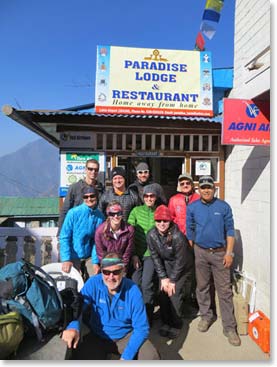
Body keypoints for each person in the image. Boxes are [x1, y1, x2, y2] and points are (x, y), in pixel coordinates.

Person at [61, 252, 160, 360]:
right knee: (75, 355)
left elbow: (141, 328)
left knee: (152, 357)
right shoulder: (93, 283)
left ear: (123, 271)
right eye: (106, 272)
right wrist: (73, 326)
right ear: (101, 271)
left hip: (125, 336)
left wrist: (126, 357)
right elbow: (78, 307)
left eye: (116, 272)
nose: (111, 277)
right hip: (98, 335)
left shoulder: (133, 290)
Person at [186, 175, 241, 347]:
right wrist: (195, 249)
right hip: (201, 252)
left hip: (220, 253)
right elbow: (190, 230)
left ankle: (229, 327)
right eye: (203, 187)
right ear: (199, 190)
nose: (206, 190)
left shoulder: (223, 207)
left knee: (224, 290)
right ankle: (206, 316)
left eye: (209, 187)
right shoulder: (193, 207)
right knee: (202, 287)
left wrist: (229, 253)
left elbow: (230, 231)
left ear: (214, 188)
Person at [147, 205, 194, 339]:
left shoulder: (177, 236)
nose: (162, 224)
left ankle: (176, 323)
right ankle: (166, 321)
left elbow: (181, 260)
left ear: (170, 221)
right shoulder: (151, 234)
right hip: (167, 264)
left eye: (165, 221)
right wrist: (163, 277)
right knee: (162, 292)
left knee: (174, 294)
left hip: (182, 266)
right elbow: (155, 256)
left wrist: (172, 280)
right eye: (159, 221)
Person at [127, 184, 158, 325]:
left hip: (151, 254)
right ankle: (135, 315)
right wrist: (133, 254)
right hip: (137, 253)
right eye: (146, 196)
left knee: (147, 285)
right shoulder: (136, 211)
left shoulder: (159, 211)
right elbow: (129, 231)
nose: (149, 198)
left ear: (156, 197)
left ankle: (148, 317)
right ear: (143, 197)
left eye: (152, 196)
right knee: (135, 284)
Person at [168, 172, 200, 309]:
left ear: (192, 185)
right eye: (182, 183)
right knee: (180, 270)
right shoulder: (174, 200)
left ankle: (192, 298)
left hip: (197, 240)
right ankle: (179, 300)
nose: (185, 185)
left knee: (195, 271)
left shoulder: (198, 198)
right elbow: (170, 219)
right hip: (180, 241)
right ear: (179, 186)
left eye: (188, 183)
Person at [59, 186, 105, 280]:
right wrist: (66, 259)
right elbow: (64, 237)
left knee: (95, 279)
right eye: (86, 197)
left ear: (96, 197)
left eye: (92, 196)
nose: (89, 199)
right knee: (73, 284)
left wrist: (95, 262)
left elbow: (97, 241)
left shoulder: (100, 216)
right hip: (73, 256)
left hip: (89, 256)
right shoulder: (73, 213)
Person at [57, 159, 104, 236]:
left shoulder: (101, 189)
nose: (93, 172)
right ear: (85, 169)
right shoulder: (74, 187)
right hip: (76, 231)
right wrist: (60, 233)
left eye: (96, 170)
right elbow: (65, 210)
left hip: (95, 232)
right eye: (90, 169)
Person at [95, 201, 135, 274]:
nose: (116, 216)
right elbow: (100, 254)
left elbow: (127, 252)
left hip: (122, 265)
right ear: (108, 215)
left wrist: (121, 268)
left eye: (118, 213)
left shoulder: (129, 229)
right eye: (112, 214)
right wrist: (109, 269)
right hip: (106, 265)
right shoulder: (100, 231)